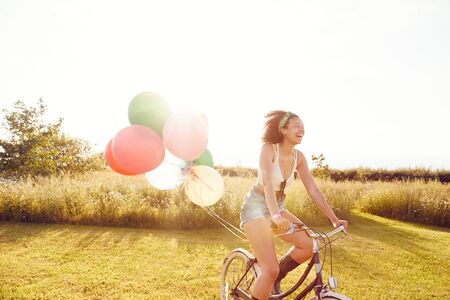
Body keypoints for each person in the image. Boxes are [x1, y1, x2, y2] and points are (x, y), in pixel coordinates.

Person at [239, 110, 349, 300]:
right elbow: (266, 183)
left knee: (309, 245)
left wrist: (334, 219)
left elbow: (313, 189)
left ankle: (274, 278)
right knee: (269, 268)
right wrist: (275, 216)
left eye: (303, 127)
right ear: (283, 129)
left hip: (277, 208)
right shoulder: (268, 149)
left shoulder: (299, 157)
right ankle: (271, 274)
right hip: (255, 208)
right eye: (296, 126)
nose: (302, 130)